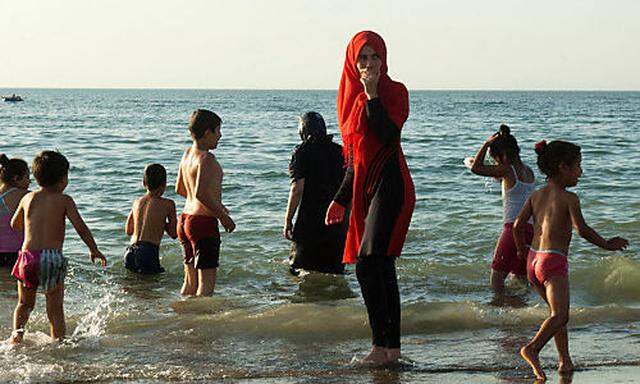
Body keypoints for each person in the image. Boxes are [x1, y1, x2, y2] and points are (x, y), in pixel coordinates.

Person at [325, 31, 415, 365]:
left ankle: (384, 349)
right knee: (374, 266)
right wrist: (339, 199)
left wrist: (373, 94)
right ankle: (388, 351)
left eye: (374, 56)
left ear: (384, 59)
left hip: (392, 185)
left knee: (373, 263)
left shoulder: (395, 92)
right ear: (352, 61)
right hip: (364, 189)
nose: (368, 64)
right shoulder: (349, 101)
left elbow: (388, 135)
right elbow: (354, 160)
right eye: (362, 58)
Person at [513, 140, 628, 380]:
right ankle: (532, 348)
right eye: (578, 166)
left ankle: (565, 361)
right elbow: (582, 229)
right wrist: (607, 244)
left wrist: (522, 251)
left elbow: (517, 225)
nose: (581, 172)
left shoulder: (536, 195)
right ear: (563, 167)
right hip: (553, 262)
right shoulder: (569, 199)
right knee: (561, 315)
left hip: (533, 260)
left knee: (555, 316)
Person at [9, 150, 107, 344]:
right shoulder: (64, 200)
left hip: (27, 258)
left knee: (24, 303)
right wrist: (93, 249)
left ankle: (16, 337)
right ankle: (59, 342)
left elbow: (15, 224)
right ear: (63, 180)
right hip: (51, 259)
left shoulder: (28, 198)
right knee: (54, 309)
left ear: (36, 177)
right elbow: (80, 227)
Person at [469, 125, 535, 298]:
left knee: (496, 280)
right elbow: (508, 182)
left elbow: (476, 168)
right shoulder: (528, 171)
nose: (497, 164)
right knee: (520, 279)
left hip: (513, 229)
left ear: (502, 156)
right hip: (530, 231)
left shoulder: (507, 170)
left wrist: (486, 144)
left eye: (496, 160)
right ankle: (520, 312)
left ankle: (500, 310)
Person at [176, 109, 235, 296]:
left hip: (185, 220)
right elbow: (201, 193)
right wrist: (223, 216)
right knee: (205, 287)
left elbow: (181, 189)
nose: (220, 136)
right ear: (207, 132)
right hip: (202, 224)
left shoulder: (187, 155)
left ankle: (182, 318)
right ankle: (200, 324)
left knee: (189, 282)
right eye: (218, 131)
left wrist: (216, 204)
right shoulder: (207, 158)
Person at [283, 112, 347, 275]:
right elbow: (348, 185)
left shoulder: (302, 152)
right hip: (337, 221)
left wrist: (288, 219)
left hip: (309, 221)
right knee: (334, 271)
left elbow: (297, 188)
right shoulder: (340, 151)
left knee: (298, 269)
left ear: (303, 131)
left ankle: (306, 300)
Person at [124, 164, 177, 274]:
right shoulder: (168, 204)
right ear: (164, 184)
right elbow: (173, 234)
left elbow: (128, 230)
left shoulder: (136, 202)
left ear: (144, 183)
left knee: (134, 288)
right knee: (151, 288)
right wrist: (163, 222)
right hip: (148, 251)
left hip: (130, 251)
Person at [0, 154, 30, 268]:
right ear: (16, 178)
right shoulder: (25, 196)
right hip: (15, 253)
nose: (29, 182)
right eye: (27, 177)